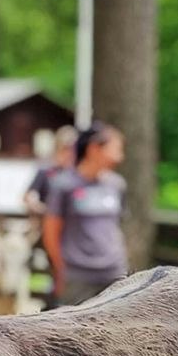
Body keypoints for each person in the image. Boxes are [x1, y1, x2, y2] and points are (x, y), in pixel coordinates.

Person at [44, 121, 129, 307]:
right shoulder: (63, 185)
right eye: (115, 149)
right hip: (77, 276)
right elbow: (51, 233)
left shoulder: (116, 185)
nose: (120, 157)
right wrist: (60, 270)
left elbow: (117, 227)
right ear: (94, 149)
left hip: (114, 273)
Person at [23, 124, 79, 220]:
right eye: (65, 148)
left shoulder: (77, 172)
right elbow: (29, 196)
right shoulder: (46, 170)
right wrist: (45, 210)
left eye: (72, 149)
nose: (69, 153)